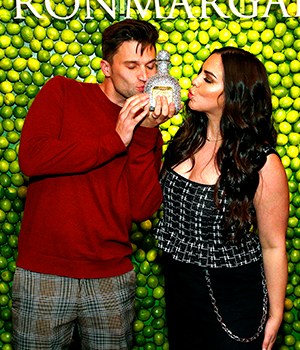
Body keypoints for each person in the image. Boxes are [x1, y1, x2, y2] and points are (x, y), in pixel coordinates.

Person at [12, 19, 175, 349]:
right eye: (132, 65)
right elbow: (32, 157)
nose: (144, 76)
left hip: (111, 278)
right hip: (45, 272)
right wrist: (115, 139)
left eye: (150, 65)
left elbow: (142, 208)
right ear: (106, 67)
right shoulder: (62, 92)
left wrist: (143, 134)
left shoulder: (148, 128)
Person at [154, 47, 289, 350]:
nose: (194, 82)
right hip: (180, 294)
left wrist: (276, 313)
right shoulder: (183, 142)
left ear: (233, 96)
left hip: (233, 301)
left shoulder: (261, 162)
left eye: (208, 79)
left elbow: (273, 244)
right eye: (200, 73)